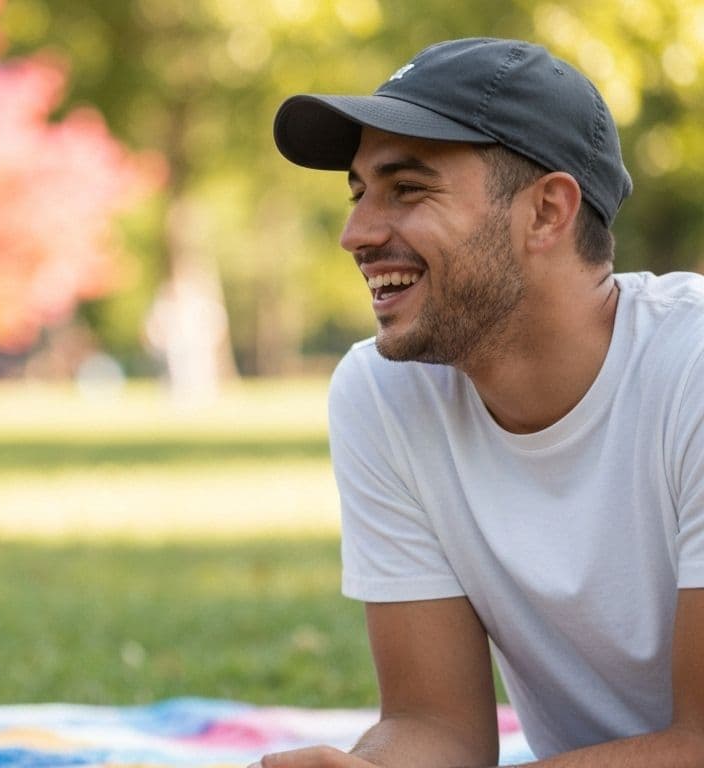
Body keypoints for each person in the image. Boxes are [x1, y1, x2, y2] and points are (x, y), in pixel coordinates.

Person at [255, 38, 704, 766]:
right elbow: (435, 726)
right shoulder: (384, 392)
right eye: (359, 192)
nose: (356, 234)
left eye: (407, 189)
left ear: (547, 213)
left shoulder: (692, 371)